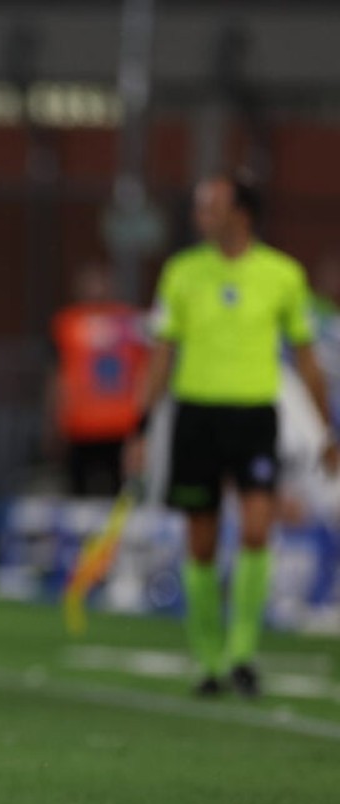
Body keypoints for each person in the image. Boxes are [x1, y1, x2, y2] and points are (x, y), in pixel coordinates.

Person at [125, 172, 338, 698]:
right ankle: (208, 661)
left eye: (211, 206)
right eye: (200, 206)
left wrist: (326, 430)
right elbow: (162, 354)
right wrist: (142, 427)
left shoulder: (282, 275)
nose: (201, 216)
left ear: (241, 214)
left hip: (254, 418)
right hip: (196, 416)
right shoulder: (181, 272)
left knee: (257, 530)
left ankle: (243, 653)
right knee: (200, 541)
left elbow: (307, 358)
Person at [45, 261, 149, 497]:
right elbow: (57, 376)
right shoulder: (66, 324)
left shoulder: (131, 321)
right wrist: (54, 419)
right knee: (79, 493)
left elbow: (145, 371)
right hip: (80, 424)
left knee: (121, 494)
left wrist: (143, 424)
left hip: (122, 424)